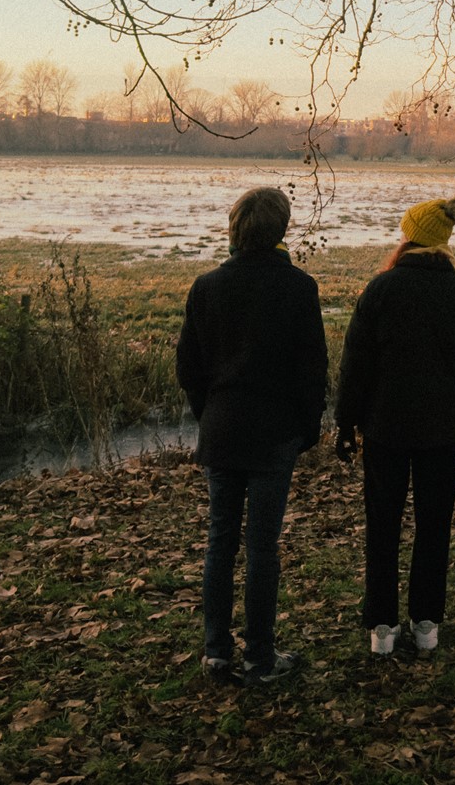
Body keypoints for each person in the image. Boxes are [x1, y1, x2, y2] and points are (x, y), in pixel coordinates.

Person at [175, 187, 327, 686]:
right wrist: (306, 430)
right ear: (281, 229)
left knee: (220, 541)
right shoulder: (299, 288)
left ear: (236, 228)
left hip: (222, 427)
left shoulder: (207, 286)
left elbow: (189, 367)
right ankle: (260, 658)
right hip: (274, 433)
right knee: (263, 546)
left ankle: (216, 653)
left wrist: (209, 414)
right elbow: (313, 371)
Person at [334, 196, 455, 657]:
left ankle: (382, 629)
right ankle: (426, 625)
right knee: (434, 525)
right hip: (442, 431)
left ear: (409, 239)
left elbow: (355, 367)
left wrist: (346, 424)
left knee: (382, 524)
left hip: (384, 428)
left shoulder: (380, 290)